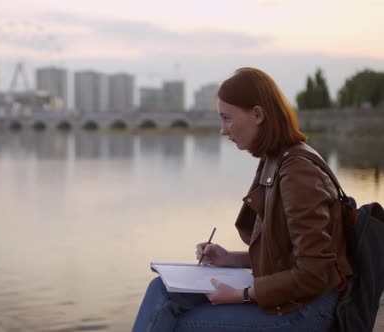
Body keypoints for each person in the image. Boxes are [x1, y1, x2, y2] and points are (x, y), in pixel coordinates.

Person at [132, 67, 353, 332]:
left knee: (182, 324)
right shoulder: (275, 159)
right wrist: (230, 259)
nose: (223, 130)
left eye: (227, 118)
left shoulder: (297, 171)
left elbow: (315, 272)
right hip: (291, 299)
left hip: (308, 311)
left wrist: (243, 295)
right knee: (162, 290)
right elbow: (286, 253)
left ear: (258, 114)